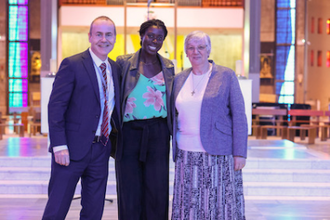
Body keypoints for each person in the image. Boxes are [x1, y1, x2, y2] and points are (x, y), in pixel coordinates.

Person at [42, 16, 121, 220]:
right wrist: (59, 145)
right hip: (70, 150)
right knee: (56, 209)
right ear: (90, 37)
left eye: (109, 34)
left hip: (101, 149)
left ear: (115, 37)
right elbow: (56, 107)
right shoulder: (73, 64)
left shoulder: (116, 69)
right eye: (99, 34)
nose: (104, 39)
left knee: (94, 211)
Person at [171, 30, 247, 219]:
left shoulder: (225, 75)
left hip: (218, 154)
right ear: (186, 52)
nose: (196, 51)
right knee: (189, 205)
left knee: (219, 203)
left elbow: (239, 115)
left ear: (209, 50)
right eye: (191, 48)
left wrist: (240, 153)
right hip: (185, 154)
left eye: (201, 47)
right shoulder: (179, 78)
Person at [115, 19, 174, 220]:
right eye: (150, 35)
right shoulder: (123, 62)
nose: (154, 41)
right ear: (141, 36)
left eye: (160, 37)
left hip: (158, 132)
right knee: (129, 187)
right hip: (130, 132)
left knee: (157, 188)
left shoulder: (168, 66)